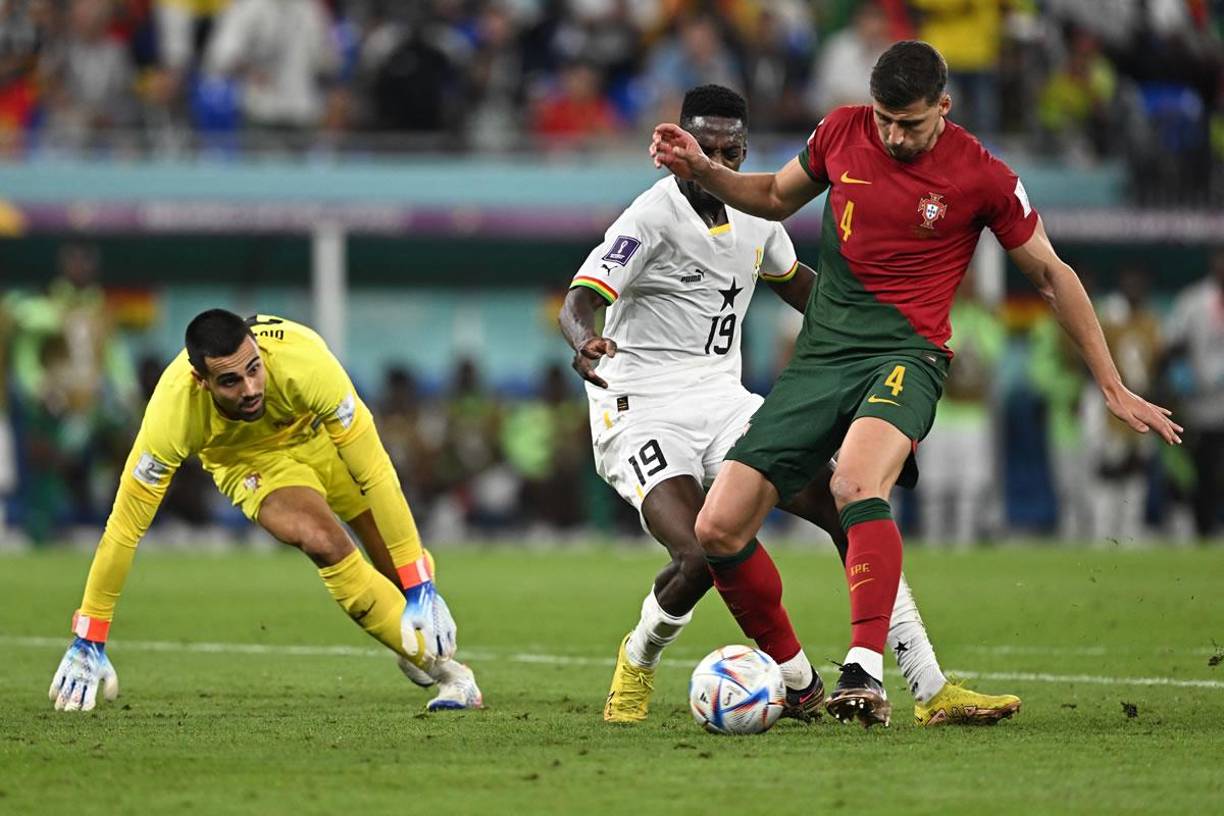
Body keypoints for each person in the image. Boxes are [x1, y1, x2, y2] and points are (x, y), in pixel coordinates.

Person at [651, 42, 1181, 727]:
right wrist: (703, 170)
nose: (894, 136)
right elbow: (777, 197)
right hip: (820, 359)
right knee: (718, 528)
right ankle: (802, 685)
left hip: (907, 355)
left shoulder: (983, 175)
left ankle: (863, 672)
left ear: (944, 108)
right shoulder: (842, 129)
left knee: (853, 485)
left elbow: (1052, 274)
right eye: (885, 121)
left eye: (910, 123)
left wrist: (1111, 384)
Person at [561, 84, 1021, 727]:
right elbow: (580, 298)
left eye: (731, 149)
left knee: (847, 502)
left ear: (744, 149)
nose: (717, 159)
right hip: (641, 408)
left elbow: (811, 295)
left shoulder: (757, 218)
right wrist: (586, 341)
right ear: (683, 146)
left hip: (724, 403)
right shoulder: (649, 217)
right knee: (698, 552)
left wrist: (885, 333)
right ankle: (645, 660)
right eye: (706, 146)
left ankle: (928, 684)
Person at [47, 310, 483, 713]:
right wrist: (90, 636)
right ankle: (452, 676)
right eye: (231, 381)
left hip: (319, 437)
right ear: (201, 381)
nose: (250, 388)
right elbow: (124, 529)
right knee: (322, 541)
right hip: (251, 464)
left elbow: (377, 472)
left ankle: (414, 626)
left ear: (257, 348)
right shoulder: (171, 412)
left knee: (396, 560)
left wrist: (420, 585)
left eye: (253, 369)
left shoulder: (305, 360)